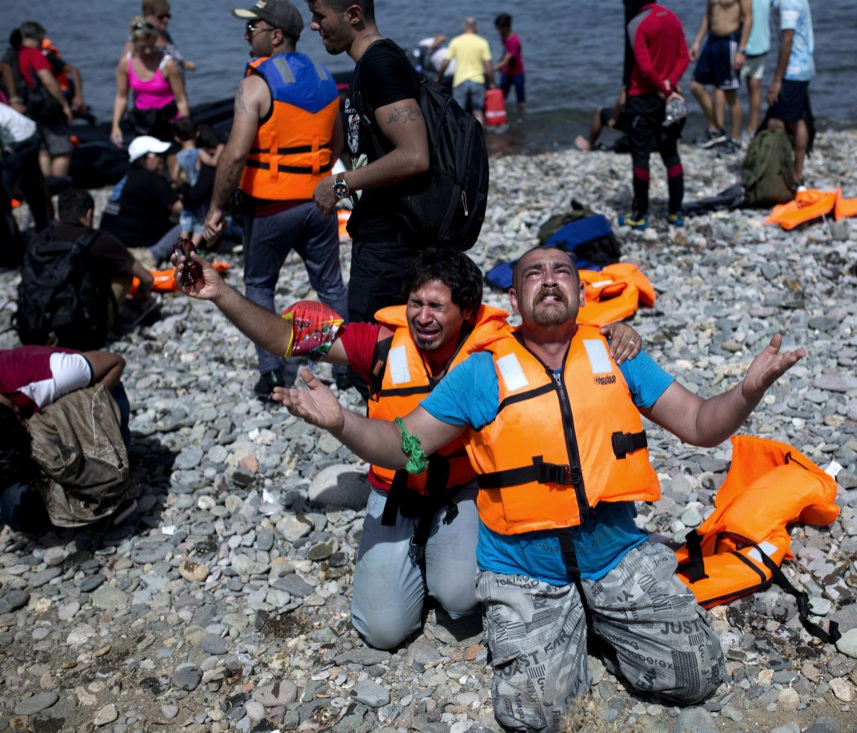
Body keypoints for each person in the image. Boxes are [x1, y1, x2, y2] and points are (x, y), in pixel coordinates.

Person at [266, 245, 804, 730]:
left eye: (562, 271)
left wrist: (746, 391)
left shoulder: (618, 354)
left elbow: (702, 424)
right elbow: (404, 444)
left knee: (697, 677)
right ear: (514, 298)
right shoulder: (482, 371)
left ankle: (596, 616)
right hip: (525, 567)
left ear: (580, 289)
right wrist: (342, 423)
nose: (549, 279)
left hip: (612, 553)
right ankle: (570, 621)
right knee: (535, 716)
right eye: (534, 273)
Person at [174, 245, 644, 649]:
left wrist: (620, 333)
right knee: (383, 633)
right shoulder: (377, 345)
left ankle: (435, 555)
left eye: (437, 306)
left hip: (459, 495)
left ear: (466, 310)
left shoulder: (497, 346)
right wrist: (221, 294)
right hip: (395, 489)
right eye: (415, 303)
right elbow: (285, 337)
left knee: (461, 602)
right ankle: (402, 548)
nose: (423, 317)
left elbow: (560, 337)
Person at [202, 0, 350, 398]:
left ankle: (271, 374)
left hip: (269, 207)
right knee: (331, 285)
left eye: (253, 28)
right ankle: (349, 365)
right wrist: (311, 178)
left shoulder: (255, 84)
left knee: (260, 284)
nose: (247, 35)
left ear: (276, 35)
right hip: (318, 204)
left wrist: (215, 209)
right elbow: (336, 144)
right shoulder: (324, 78)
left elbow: (234, 154)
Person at [306, 0, 431, 400]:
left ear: (354, 15)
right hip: (385, 235)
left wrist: (339, 184)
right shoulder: (370, 67)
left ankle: (402, 449)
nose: (313, 25)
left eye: (320, 15)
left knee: (370, 357)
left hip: (393, 241)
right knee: (389, 353)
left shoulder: (380, 65)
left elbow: (414, 154)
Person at [0, 346, 133, 532]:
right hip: (24, 435)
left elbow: (116, 362)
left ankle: (113, 491)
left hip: (97, 399)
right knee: (14, 512)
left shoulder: (50, 374)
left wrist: (81, 412)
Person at [617, 1, 691, 230]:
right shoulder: (672, 17)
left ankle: (639, 215)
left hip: (644, 98)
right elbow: (684, 57)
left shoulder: (636, 23)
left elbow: (644, 66)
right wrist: (671, 84)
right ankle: (675, 212)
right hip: (669, 96)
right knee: (670, 153)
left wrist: (664, 88)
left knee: (641, 156)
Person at [40, 188, 156, 330]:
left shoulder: (40, 240)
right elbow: (147, 278)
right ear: (89, 214)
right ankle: (112, 319)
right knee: (124, 273)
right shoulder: (99, 240)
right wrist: (143, 293)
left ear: (58, 216)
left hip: (38, 322)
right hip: (80, 331)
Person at [15, 21, 85, 178]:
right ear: (39, 36)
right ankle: (57, 186)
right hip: (46, 109)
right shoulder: (39, 54)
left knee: (42, 149)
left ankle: (45, 184)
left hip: (24, 110)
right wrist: (66, 103)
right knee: (63, 149)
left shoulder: (13, 56)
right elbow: (50, 79)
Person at [110, 16, 190, 151]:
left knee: (173, 159)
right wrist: (115, 126)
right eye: (142, 47)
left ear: (155, 40)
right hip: (143, 120)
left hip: (168, 119)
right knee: (148, 162)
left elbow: (181, 99)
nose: (147, 51)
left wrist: (187, 127)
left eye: (150, 46)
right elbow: (121, 97)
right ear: (134, 43)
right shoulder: (125, 64)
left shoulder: (168, 64)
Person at [99, 135, 182, 265]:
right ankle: (153, 256)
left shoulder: (127, 176)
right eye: (157, 155)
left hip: (110, 243)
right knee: (191, 220)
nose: (162, 159)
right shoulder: (152, 180)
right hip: (136, 247)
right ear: (142, 159)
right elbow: (182, 209)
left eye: (163, 155)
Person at [689, 0, 753, 151]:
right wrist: (697, 41)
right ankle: (717, 128)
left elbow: (749, 18)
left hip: (730, 41)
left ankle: (735, 138)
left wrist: (741, 50)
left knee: (730, 93)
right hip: (712, 40)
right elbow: (708, 15)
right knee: (695, 86)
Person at [766, 0, 816, 185]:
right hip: (801, 67)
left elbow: (788, 39)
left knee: (777, 121)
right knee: (798, 120)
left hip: (793, 70)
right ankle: (797, 174)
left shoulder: (788, 3)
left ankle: (783, 174)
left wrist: (777, 79)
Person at [0, 101, 51, 261]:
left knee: (1, 203)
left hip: (20, 142)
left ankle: (9, 255)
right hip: (28, 132)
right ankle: (46, 234)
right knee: (34, 189)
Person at [438, 17, 494, 125]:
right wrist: (491, 82)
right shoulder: (482, 42)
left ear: (464, 27)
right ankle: (479, 137)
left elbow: (445, 62)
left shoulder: (456, 41)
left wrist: (440, 77)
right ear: (476, 28)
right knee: (477, 112)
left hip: (460, 81)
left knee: (459, 112)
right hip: (477, 81)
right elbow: (488, 65)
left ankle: (460, 139)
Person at [740, 0, 772, 137]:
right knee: (755, 85)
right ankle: (752, 128)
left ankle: (724, 129)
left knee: (726, 90)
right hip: (762, 44)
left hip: (745, 46)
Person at [492, 14, 525, 112]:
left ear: (506, 27)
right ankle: (501, 113)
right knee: (502, 96)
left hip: (517, 73)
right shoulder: (503, 36)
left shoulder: (514, 40)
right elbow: (505, 51)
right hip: (507, 72)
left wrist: (493, 68)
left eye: (499, 28)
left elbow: (507, 59)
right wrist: (499, 62)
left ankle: (522, 116)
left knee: (521, 100)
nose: (498, 31)